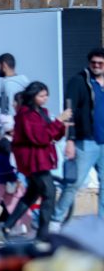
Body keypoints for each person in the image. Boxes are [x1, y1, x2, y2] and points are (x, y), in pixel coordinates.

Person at [0, 82, 72, 241]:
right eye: (41, 96)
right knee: (49, 193)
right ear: (32, 96)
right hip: (33, 161)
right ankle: (43, 233)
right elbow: (40, 137)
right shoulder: (26, 115)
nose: (45, 98)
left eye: (46, 95)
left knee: (32, 194)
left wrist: (61, 125)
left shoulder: (42, 112)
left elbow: (52, 136)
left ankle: (5, 228)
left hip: (42, 159)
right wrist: (58, 120)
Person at [54, 48, 104, 224]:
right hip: (86, 142)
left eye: (100, 63)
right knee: (74, 184)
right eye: (93, 63)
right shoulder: (78, 81)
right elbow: (69, 111)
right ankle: (56, 219)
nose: (96, 66)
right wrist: (70, 139)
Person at [0, 53, 29, 124]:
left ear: (4, 65)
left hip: (13, 128)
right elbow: (5, 106)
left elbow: (11, 114)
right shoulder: (21, 80)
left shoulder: (9, 84)